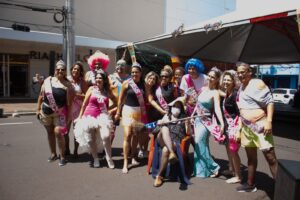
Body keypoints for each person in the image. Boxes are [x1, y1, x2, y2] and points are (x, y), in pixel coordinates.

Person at [235, 62, 278, 192]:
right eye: (238, 72)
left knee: (270, 157)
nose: (240, 74)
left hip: (261, 126)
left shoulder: (257, 83)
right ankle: (250, 183)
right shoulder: (241, 87)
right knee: (251, 158)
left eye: (243, 72)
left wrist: (269, 121)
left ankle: (281, 187)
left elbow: (270, 102)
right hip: (247, 129)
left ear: (249, 72)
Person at [74, 70, 116, 169]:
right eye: (96, 78)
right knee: (91, 138)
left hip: (102, 117)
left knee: (106, 136)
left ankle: (109, 158)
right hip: (89, 116)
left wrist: (111, 110)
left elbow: (116, 102)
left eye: (100, 78)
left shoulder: (107, 91)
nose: (98, 80)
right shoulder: (91, 89)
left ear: (104, 80)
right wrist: (80, 116)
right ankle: (96, 158)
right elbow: (84, 103)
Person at [36, 60, 73, 166]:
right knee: (50, 132)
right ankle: (53, 154)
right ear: (55, 70)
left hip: (59, 113)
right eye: (58, 69)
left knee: (58, 132)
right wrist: (37, 109)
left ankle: (62, 156)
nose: (60, 71)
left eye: (62, 69)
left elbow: (69, 104)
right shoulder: (48, 81)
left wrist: (69, 116)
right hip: (46, 112)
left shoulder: (68, 85)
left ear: (65, 71)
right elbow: (41, 96)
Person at [192, 67, 225, 178]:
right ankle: (202, 170)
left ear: (217, 80)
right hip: (197, 120)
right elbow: (197, 105)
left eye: (213, 77)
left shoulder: (215, 93)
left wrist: (222, 123)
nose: (210, 78)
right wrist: (192, 115)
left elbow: (217, 109)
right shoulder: (202, 89)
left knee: (198, 141)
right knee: (202, 144)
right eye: (209, 76)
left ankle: (214, 166)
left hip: (206, 122)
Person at [115, 62, 147, 174]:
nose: (134, 74)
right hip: (128, 111)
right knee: (127, 135)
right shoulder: (126, 83)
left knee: (136, 136)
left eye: (136, 72)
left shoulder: (144, 85)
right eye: (132, 72)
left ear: (140, 73)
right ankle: (125, 162)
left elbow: (149, 98)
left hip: (139, 112)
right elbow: (120, 100)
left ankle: (133, 156)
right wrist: (118, 112)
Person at [152, 97, 191, 187]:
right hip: (161, 139)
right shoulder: (166, 116)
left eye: (178, 107)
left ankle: (159, 176)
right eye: (174, 106)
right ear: (171, 107)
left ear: (181, 109)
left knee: (166, 150)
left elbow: (188, 133)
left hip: (174, 142)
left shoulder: (184, 118)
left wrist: (188, 124)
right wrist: (160, 122)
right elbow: (155, 131)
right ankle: (172, 153)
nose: (176, 108)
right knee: (164, 128)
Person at [220, 70, 242, 184]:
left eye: (229, 80)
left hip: (235, 127)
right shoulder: (227, 93)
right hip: (229, 126)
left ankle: (238, 176)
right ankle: (233, 171)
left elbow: (240, 113)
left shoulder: (235, 94)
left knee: (234, 152)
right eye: (225, 79)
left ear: (234, 82)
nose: (226, 81)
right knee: (230, 150)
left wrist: (238, 129)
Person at [65, 62, 88, 157]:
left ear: (81, 72)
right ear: (71, 70)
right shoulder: (66, 80)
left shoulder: (82, 82)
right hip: (67, 108)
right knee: (65, 131)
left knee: (76, 131)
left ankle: (75, 151)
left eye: (78, 69)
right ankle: (67, 150)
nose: (76, 71)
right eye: (74, 69)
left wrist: (76, 94)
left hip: (78, 109)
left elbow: (86, 96)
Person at [108, 59, 131, 143]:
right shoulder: (110, 77)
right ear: (115, 66)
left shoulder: (129, 78)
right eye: (118, 64)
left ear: (125, 67)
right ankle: (108, 149)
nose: (120, 67)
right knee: (111, 129)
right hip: (113, 107)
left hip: (127, 106)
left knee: (128, 129)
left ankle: (129, 150)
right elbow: (107, 92)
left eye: (122, 65)